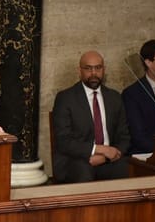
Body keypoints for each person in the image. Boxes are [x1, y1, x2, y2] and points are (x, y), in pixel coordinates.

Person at [52, 51, 130, 183]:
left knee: (125, 166)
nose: (94, 73)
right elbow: (64, 141)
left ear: (104, 70)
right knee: (83, 171)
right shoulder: (65, 98)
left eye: (98, 68)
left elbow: (124, 137)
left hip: (109, 159)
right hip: (77, 160)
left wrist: (105, 156)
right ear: (79, 70)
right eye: (88, 68)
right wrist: (98, 150)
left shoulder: (114, 97)